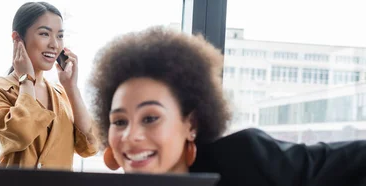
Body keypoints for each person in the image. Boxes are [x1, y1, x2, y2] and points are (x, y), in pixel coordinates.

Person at [90, 26, 366, 186]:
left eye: (150, 118)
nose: (130, 136)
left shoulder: (247, 161)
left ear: (191, 124)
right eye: (120, 121)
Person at [0, 2, 98, 170]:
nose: (54, 44)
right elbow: (22, 132)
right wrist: (27, 79)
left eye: (60, 36)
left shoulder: (62, 94)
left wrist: (71, 88)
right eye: (44, 34)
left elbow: (90, 146)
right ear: (17, 38)